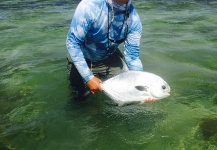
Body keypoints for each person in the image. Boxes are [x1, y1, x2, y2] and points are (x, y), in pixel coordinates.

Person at [66, 0, 155, 102]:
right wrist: (88, 77)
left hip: (110, 59)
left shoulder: (133, 19)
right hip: (82, 57)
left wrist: (142, 86)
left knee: (126, 100)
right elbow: (73, 43)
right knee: (79, 101)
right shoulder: (89, 6)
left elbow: (132, 56)